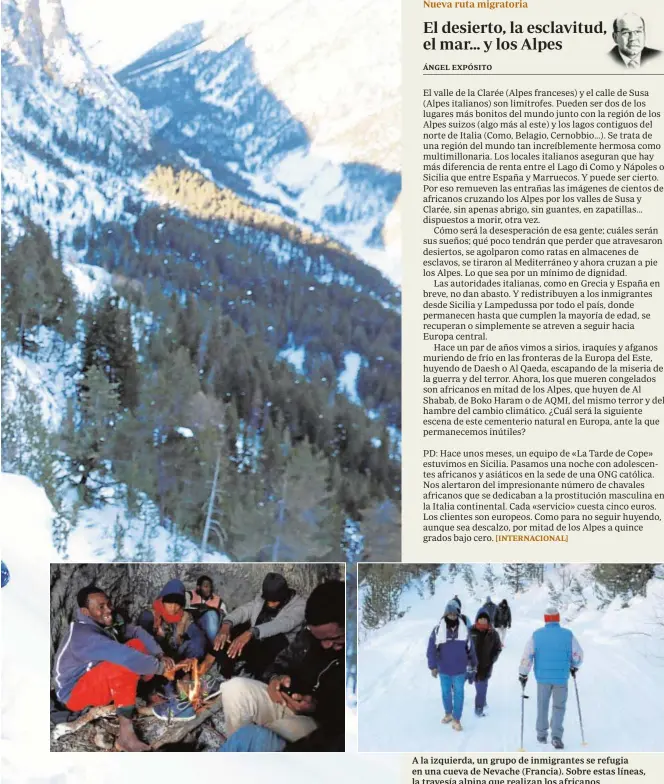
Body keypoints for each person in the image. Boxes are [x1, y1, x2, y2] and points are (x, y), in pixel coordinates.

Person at [216, 580, 345, 751]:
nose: (325, 645)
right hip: (284, 701)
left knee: (256, 736)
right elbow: (280, 662)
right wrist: (275, 678)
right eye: (320, 639)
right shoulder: (308, 636)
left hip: (317, 724)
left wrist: (316, 707)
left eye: (334, 639)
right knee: (233, 687)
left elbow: (343, 729)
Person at [53, 585, 185, 751]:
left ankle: (146, 694)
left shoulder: (102, 621)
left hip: (93, 679)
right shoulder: (84, 635)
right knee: (123, 662)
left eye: (108, 604)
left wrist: (159, 654)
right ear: (86, 612)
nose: (108, 610)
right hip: (72, 695)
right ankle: (126, 736)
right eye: (101, 607)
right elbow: (125, 657)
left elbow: (137, 632)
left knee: (136, 645)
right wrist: (161, 669)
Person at [200, 572, 306, 680]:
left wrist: (250, 632)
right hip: (255, 641)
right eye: (268, 600)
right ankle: (219, 673)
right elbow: (245, 610)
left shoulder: (300, 606)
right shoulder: (262, 597)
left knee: (274, 641)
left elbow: (281, 624)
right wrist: (226, 625)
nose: (270, 604)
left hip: (276, 648)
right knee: (231, 632)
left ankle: (250, 677)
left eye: (274, 601)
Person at [518, 605, 584, 750]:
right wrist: (574, 665)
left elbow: (527, 656)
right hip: (561, 677)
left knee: (542, 705)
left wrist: (523, 673)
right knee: (559, 706)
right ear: (558, 618)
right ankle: (556, 736)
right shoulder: (568, 635)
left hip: (543, 678)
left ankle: (541, 735)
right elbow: (578, 654)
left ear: (546, 619)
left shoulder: (536, 635)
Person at [426, 600, 477, 731]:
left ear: (458, 615)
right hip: (443, 669)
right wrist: (433, 666)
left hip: (460, 669)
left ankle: (457, 719)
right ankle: (448, 714)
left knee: (459, 694)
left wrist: (473, 666)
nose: (452, 617)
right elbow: (431, 648)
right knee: (445, 693)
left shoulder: (464, 630)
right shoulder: (438, 630)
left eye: (455, 615)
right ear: (445, 615)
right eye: (450, 615)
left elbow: (471, 650)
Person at [137, 578, 207, 662]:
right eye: (169, 602)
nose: (173, 607)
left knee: (198, 643)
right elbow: (142, 639)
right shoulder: (149, 615)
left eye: (177, 603)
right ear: (162, 600)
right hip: (155, 660)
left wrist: (192, 659)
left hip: (176, 659)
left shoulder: (183, 616)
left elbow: (198, 637)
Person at [468, 609, 502, 717]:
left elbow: (498, 648)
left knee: (482, 686)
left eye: (485, 619)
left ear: (488, 620)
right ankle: (482, 702)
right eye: (480, 618)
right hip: (472, 665)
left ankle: (479, 709)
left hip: (486, 666)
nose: (483, 621)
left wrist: (492, 659)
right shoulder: (470, 631)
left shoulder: (493, 633)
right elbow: (463, 646)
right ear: (477, 619)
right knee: (480, 687)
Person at [186, 575, 227, 647]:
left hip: (213, 628)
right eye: (205, 586)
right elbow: (184, 610)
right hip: (193, 626)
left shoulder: (218, 600)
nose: (209, 589)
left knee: (212, 614)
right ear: (198, 587)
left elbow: (225, 617)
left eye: (210, 587)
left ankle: (216, 646)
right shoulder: (189, 595)